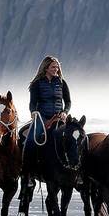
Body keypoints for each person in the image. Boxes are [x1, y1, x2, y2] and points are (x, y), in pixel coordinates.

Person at [19, 55, 72, 208]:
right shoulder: (37, 84)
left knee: (76, 138)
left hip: (59, 117)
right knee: (30, 140)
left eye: (57, 67)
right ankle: (27, 174)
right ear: (46, 68)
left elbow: (68, 101)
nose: (56, 70)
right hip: (42, 117)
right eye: (53, 67)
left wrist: (65, 112)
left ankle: (79, 173)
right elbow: (32, 103)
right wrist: (34, 112)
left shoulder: (62, 83)